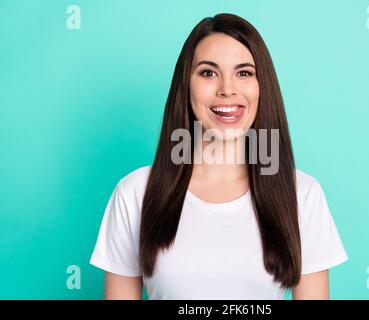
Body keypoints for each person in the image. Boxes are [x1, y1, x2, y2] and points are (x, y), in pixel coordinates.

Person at [90, 13, 348, 300]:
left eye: (244, 73)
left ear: (263, 87)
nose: (227, 89)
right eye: (208, 73)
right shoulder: (135, 193)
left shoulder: (302, 195)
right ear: (185, 86)